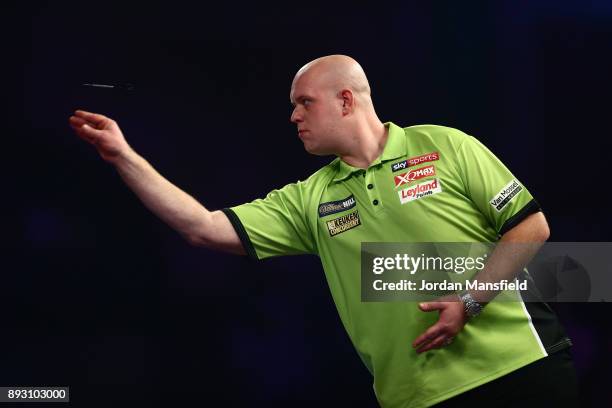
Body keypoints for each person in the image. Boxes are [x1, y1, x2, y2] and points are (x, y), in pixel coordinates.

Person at [69, 55, 578, 407]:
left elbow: (531, 227)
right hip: (418, 399)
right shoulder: (311, 197)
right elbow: (202, 227)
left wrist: (468, 302)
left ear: (346, 100)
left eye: (303, 103)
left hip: (521, 370)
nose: (292, 116)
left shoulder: (445, 145)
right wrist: (123, 157)